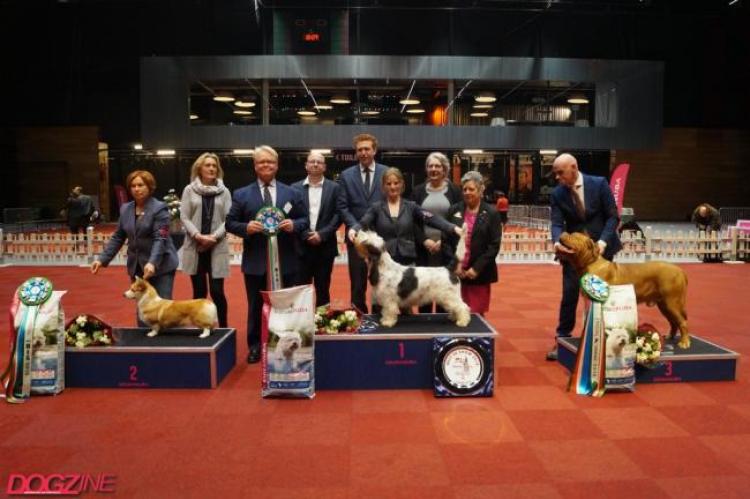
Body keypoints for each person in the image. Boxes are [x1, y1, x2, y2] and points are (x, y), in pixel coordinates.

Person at [226, 145, 308, 364]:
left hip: (287, 260)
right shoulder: (241, 194)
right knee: (255, 306)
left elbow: (305, 220)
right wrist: (246, 228)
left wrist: (294, 224)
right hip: (255, 263)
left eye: (270, 162)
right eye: (261, 162)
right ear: (255, 166)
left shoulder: (292, 193)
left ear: (277, 165)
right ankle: (254, 346)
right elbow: (230, 223)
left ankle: (287, 343)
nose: (266, 165)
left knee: (286, 305)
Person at [350, 167, 461, 313]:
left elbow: (431, 218)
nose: (393, 187)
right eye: (389, 184)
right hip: (384, 265)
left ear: (402, 185)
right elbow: (364, 221)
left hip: (407, 263)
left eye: (396, 183)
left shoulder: (411, 206)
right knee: (381, 306)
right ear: (383, 186)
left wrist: (452, 228)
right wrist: (354, 229)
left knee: (406, 311)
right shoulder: (376, 207)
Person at [547, 153, 621, 360]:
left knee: (603, 297)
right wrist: (556, 243)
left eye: (560, 172)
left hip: (602, 253)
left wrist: (603, 243)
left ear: (574, 167)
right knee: (569, 295)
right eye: (555, 174)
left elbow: (613, 216)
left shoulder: (599, 184)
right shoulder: (558, 194)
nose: (557, 177)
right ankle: (562, 340)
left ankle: (606, 338)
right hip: (574, 255)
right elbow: (556, 223)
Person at [91, 170, 179, 325]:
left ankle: (165, 345)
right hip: (137, 266)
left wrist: (152, 262)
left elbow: (161, 238)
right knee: (143, 309)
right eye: (133, 186)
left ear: (149, 187)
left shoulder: (160, 209)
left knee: (162, 311)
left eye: (141, 185)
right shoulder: (125, 209)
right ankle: (143, 344)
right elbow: (119, 236)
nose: (136, 189)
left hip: (161, 265)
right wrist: (102, 259)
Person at [179, 152, 232, 328]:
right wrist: (198, 236)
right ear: (199, 169)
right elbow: (184, 217)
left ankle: (224, 328)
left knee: (217, 292)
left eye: (214, 166)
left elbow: (229, 219)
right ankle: (200, 327)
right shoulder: (189, 190)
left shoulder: (224, 192)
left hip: (217, 247)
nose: (211, 168)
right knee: (199, 292)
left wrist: (213, 237)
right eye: (207, 165)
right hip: (196, 247)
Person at [337, 133, 387, 313]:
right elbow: (342, 207)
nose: (363, 153)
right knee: (357, 284)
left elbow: (390, 202)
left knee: (382, 281)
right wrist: (356, 227)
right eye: (360, 150)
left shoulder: (386, 173)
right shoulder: (346, 175)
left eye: (367, 149)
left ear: (374, 150)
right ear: (356, 153)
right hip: (355, 238)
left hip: (381, 237)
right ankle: (359, 320)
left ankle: (381, 317)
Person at [410, 152, 463, 313]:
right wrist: (424, 240)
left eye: (437, 166)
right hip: (423, 248)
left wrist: (443, 241)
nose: (434, 169)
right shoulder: (417, 191)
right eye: (430, 166)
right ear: (426, 169)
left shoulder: (455, 191)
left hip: (446, 248)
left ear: (444, 169)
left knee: (444, 292)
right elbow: (412, 221)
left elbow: (457, 220)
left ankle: (442, 325)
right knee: (424, 291)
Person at [444, 171, 502, 316]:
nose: (467, 192)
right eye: (464, 189)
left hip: (478, 274)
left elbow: (494, 245)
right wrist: (455, 265)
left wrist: (476, 269)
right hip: (456, 273)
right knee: (455, 313)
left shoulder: (492, 213)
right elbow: (446, 240)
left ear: (481, 190)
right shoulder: (453, 210)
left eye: (471, 189)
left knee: (476, 315)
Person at [292, 151, 342, 307]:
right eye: (312, 161)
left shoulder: (335, 188)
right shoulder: (294, 189)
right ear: (306, 165)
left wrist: (322, 234)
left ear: (324, 167)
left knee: (323, 290)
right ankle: (301, 326)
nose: (315, 164)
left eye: (319, 162)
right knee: (300, 291)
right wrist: (305, 234)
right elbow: (290, 215)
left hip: (325, 248)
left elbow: (339, 214)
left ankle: (322, 327)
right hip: (301, 248)